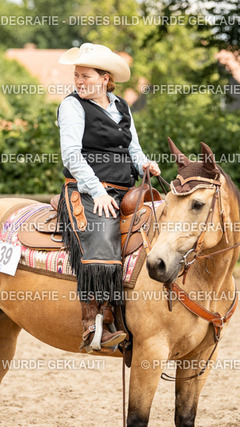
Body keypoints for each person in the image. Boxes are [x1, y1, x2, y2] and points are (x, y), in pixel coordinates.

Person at [56, 43, 160, 353]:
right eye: (77, 75)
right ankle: (94, 323)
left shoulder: (123, 107)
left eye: (85, 76)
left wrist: (145, 164)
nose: (79, 81)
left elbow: (133, 149)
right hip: (88, 189)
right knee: (102, 239)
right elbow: (72, 155)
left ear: (105, 79)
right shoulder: (72, 106)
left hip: (126, 189)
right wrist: (98, 191)